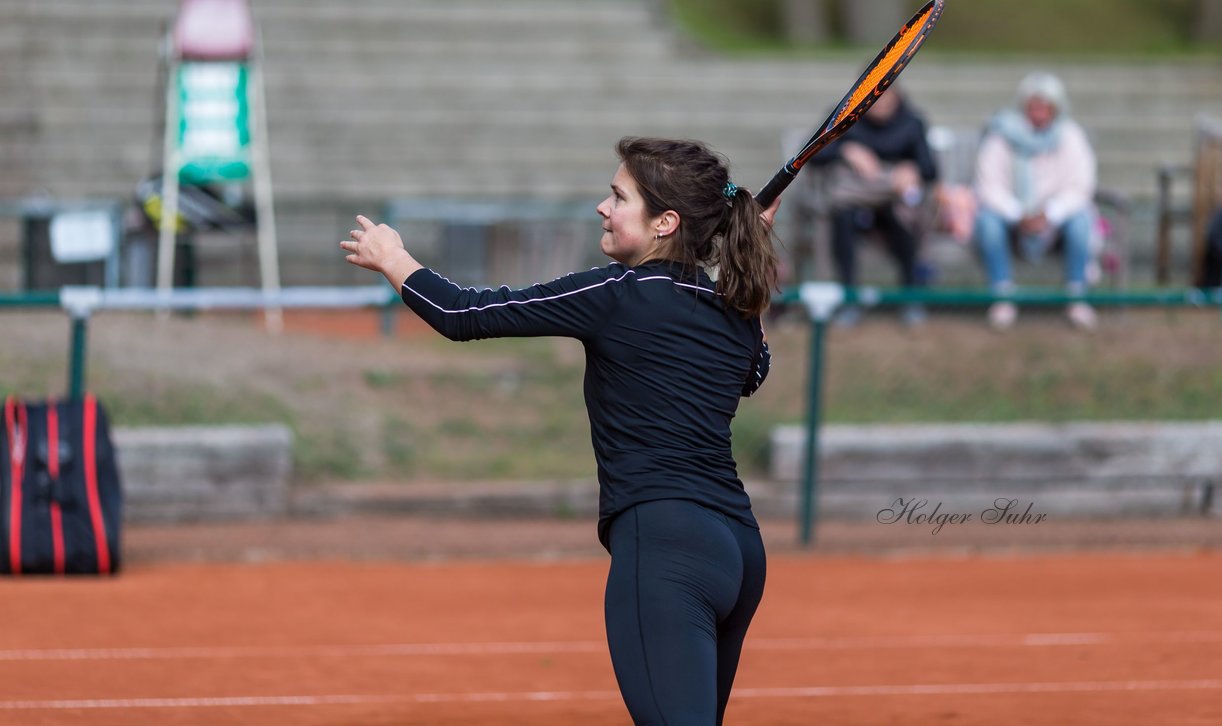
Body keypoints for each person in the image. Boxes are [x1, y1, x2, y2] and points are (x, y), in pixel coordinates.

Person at [341, 137, 781, 725]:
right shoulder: (735, 312)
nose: (603, 207)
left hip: (666, 540)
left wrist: (392, 257)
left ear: (665, 223)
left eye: (619, 197)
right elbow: (755, 371)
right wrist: (740, 269)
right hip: (740, 548)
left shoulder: (617, 294)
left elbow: (462, 314)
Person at [972, 72, 1098, 331]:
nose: (1039, 112)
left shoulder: (1070, 136)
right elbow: (988, 185)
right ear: (1024, 106)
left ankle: (1076, 297)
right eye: (1034, 105)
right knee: (987, 222)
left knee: (1082, 220)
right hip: (1011, 219)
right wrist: (1018, 213)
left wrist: (1050, 213)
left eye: (1046, 106)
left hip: (1056, 220)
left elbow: (1080, 186)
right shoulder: (1001, 136)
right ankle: (1002, 296)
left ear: (1056, 108)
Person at [808, 87, 937, 325]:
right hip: (852, 204)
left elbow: (929, 168)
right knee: (842, 217)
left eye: (888, 97)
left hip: (892, 204)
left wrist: (911, 170)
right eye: (877, 98)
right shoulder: (846, 115)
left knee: (907, 217)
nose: (882, 104)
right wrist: (845, 150)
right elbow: (814, 154)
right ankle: (849, 299)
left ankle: (911, 296)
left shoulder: (911, 122)